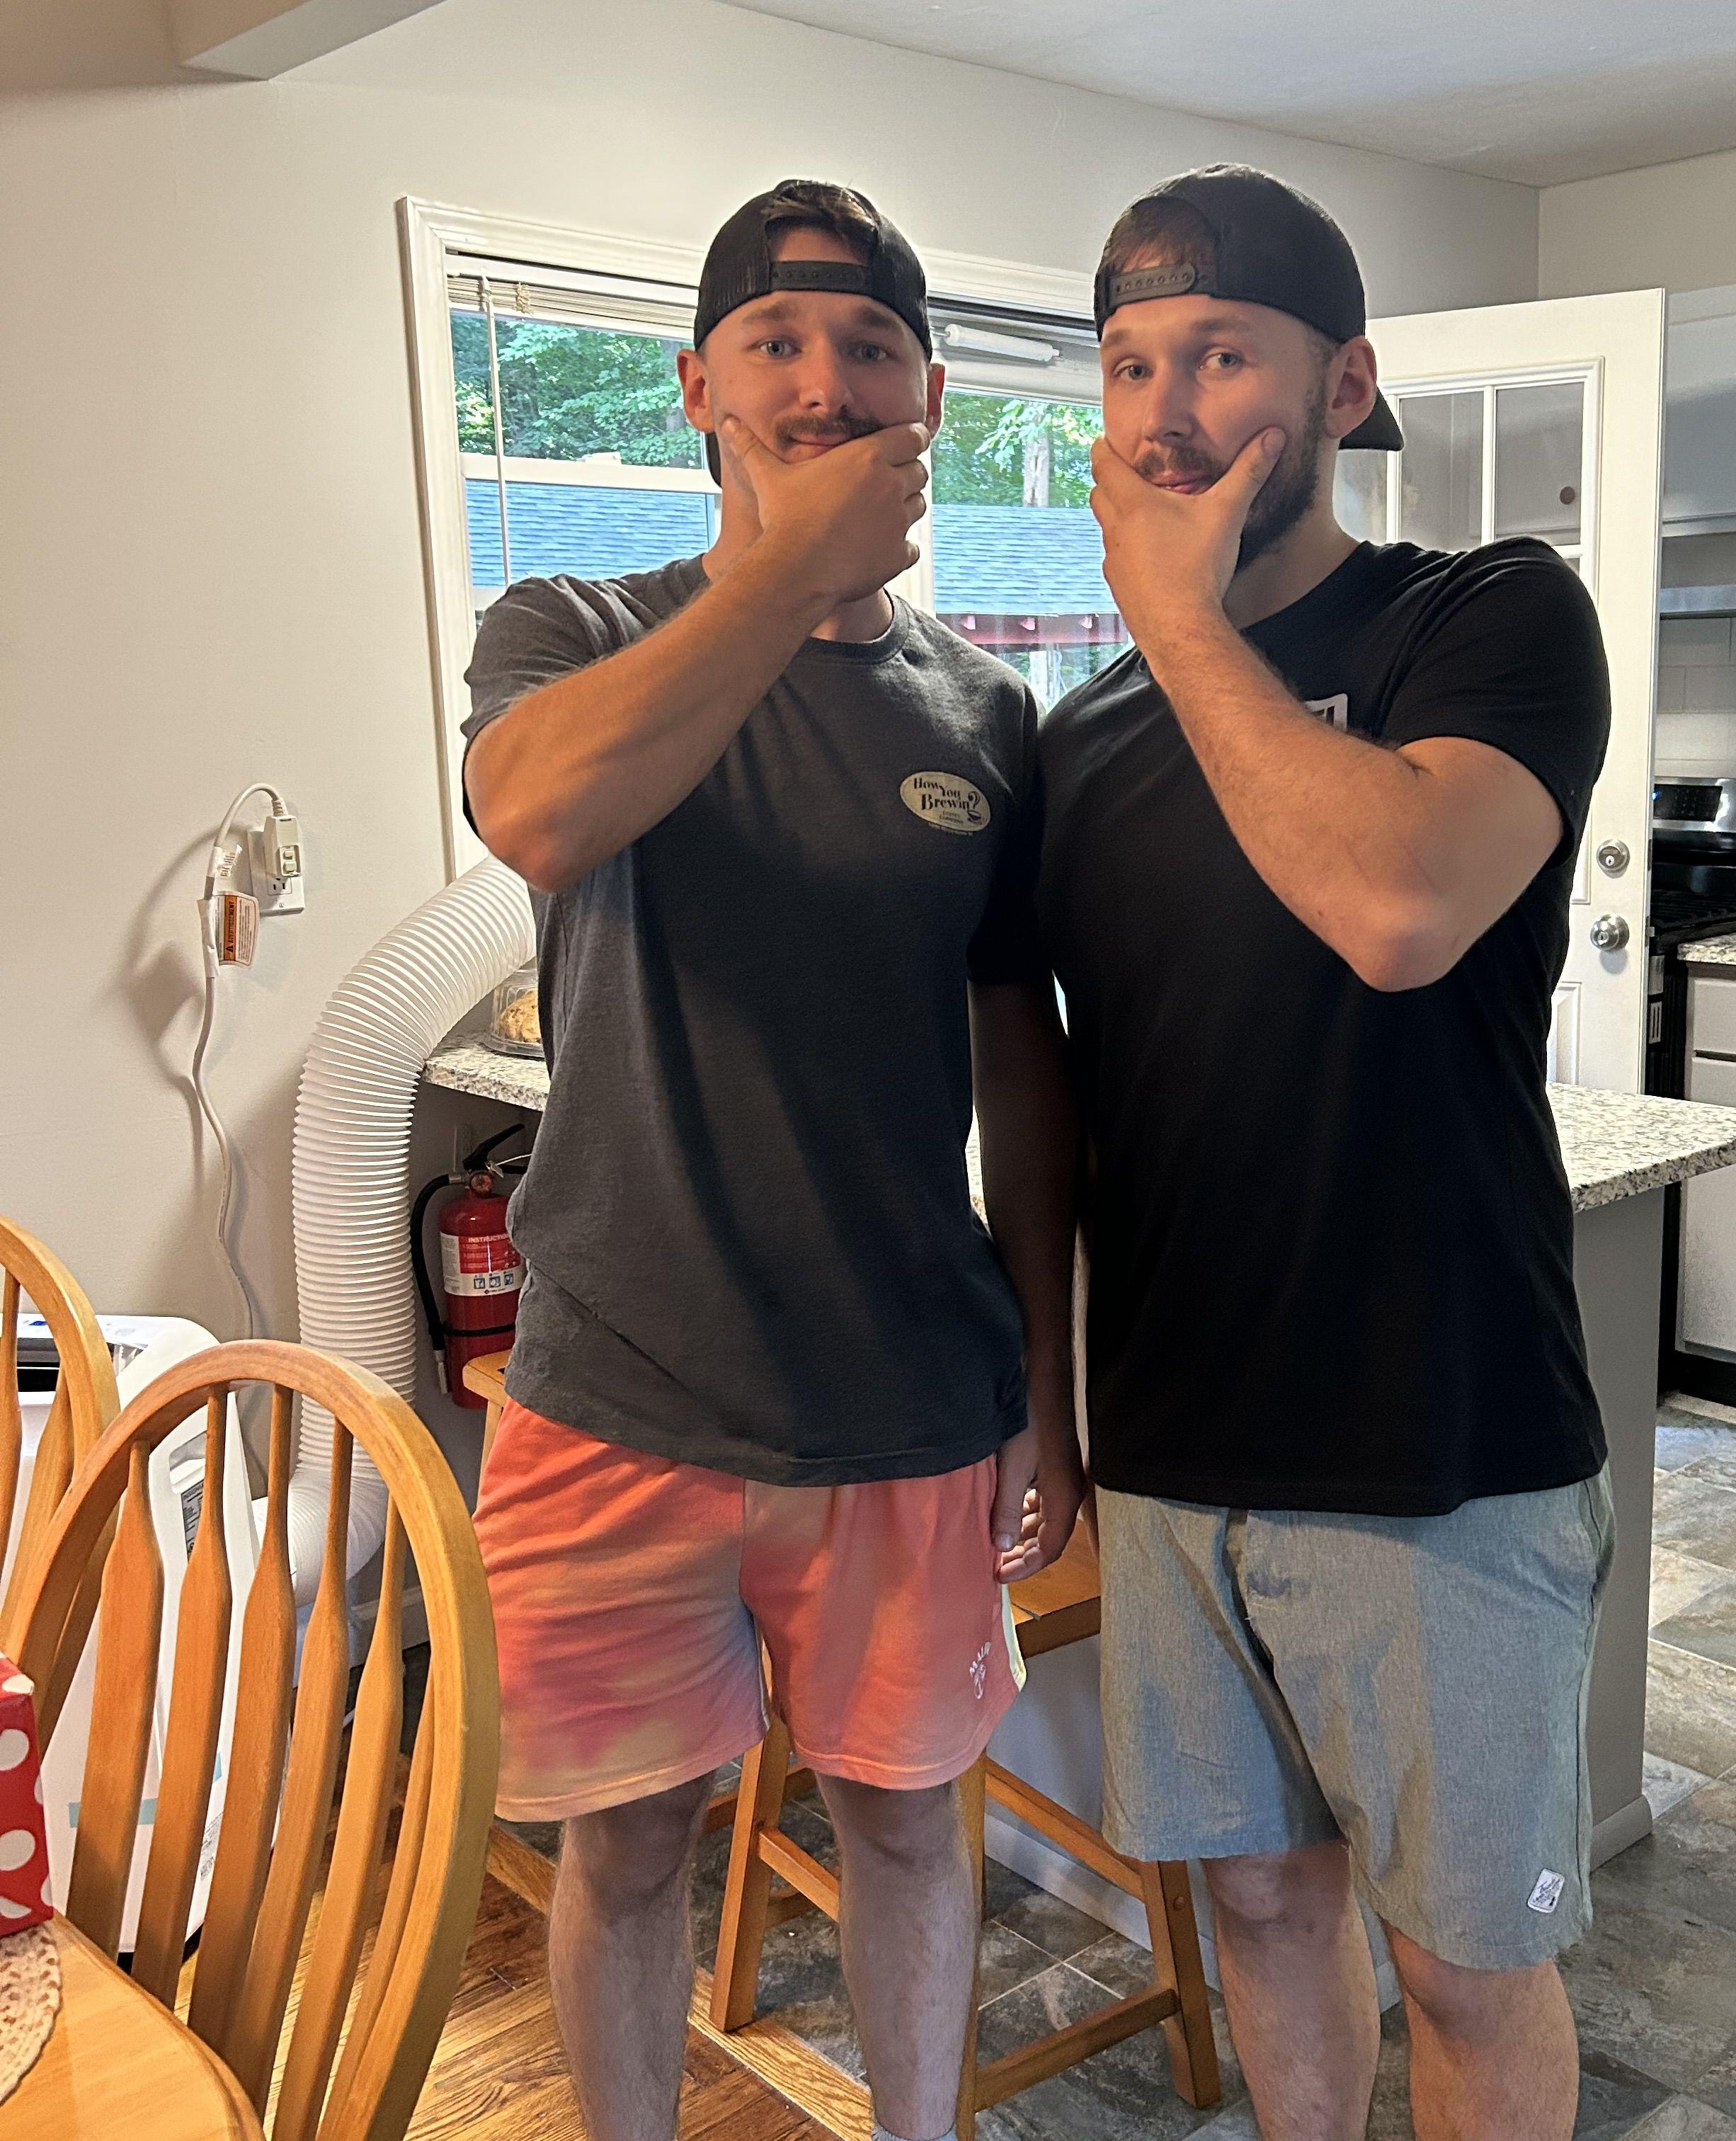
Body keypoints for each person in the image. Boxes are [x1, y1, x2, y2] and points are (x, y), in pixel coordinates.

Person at [460, 178, 1082, 2141]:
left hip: (907, 1397)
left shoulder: (985, 715)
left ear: (930, 396)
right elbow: (539, 815)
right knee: (628, 1849)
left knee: (905, 1828)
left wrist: (1047, 1383)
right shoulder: (572, 628)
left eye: (872, 346)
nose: (826, 381)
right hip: (613, 1389)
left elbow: (1024, 1062)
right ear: (696, 388)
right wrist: (780, 573)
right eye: (778, 343)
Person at [1037, 166, 1615, 2141]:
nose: (1166, 410)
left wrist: (1176, 622)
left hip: (1439, 1439)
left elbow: (1398, 908)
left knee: (1464, 1967)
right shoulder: (1082, 737)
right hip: (1178, 1445)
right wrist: (1049, 1401)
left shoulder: (1490, 616)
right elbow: (1053, 1085)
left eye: (1222, 356)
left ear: (1346, 387)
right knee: (1267, 1912)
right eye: (1132, 365)